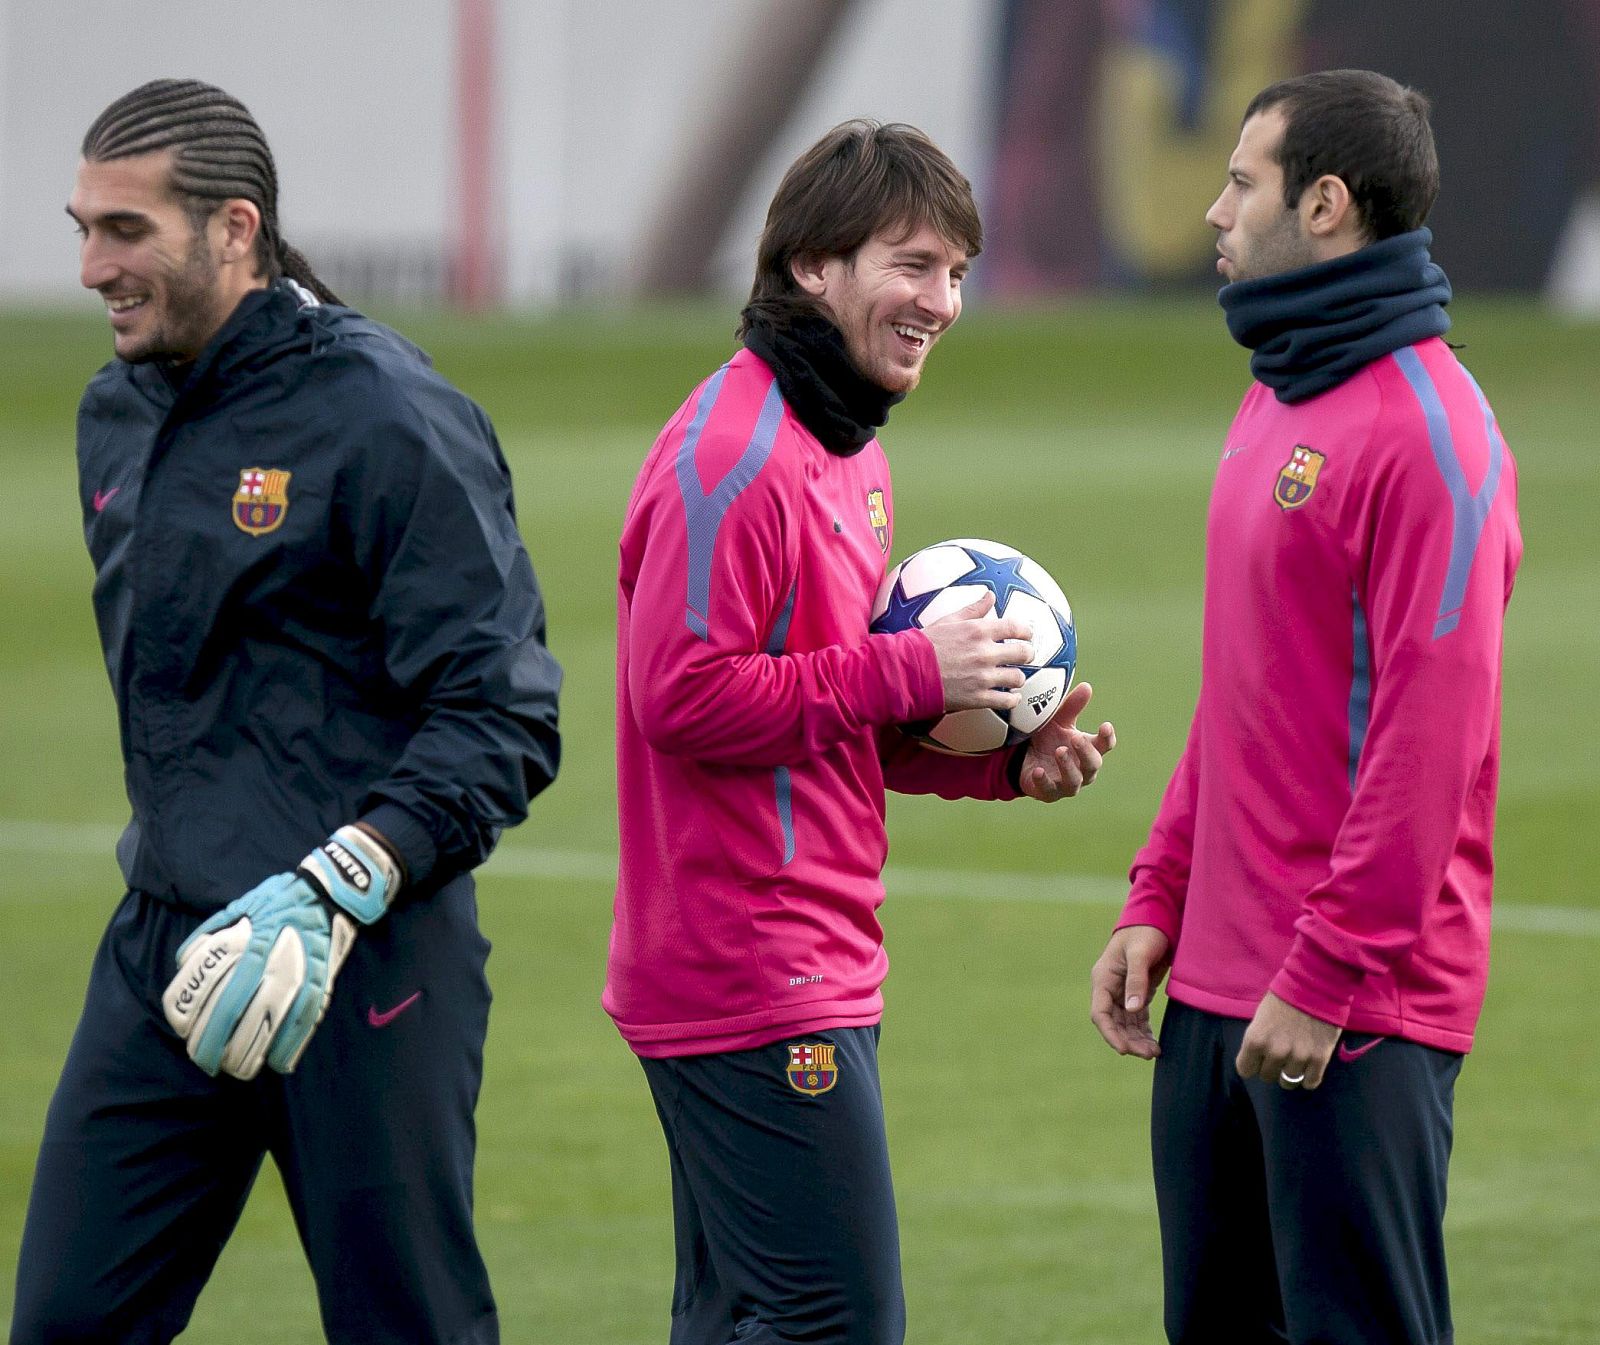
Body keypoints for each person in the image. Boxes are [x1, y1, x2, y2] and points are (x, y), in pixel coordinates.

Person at [11, 79, 561, 1345]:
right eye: (82, 225)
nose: (93, 265)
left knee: (406, 1327)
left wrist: (337, 882)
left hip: (367, 963)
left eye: (126, 231)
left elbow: (503, 712)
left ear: (236, 230)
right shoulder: (116, 411)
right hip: (166, 948)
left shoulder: (386, 415)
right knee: (62, 1322)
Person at [606, 119, 1116, 1345]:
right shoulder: (728, 459)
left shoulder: (845, 451)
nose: (940, 300)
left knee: (743, 1318)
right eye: (911, 264)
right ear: (810, 268)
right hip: (749, 967)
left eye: (954, 272)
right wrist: (907, 665)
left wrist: (999, 764)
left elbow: (828, 711)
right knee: (837, 1324)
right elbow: (677, 696)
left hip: (808, 956)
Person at [1090, 69, 1522, 1345]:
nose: (1213, 213)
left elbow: (1427, 746)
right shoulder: (1276, 390)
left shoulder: (1433, 436)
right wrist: (1159, 893)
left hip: (1350, 1011)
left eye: (1241, 182)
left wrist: (1325, 972)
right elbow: (1242, 697)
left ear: (1325, 204)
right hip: (1220, 992)